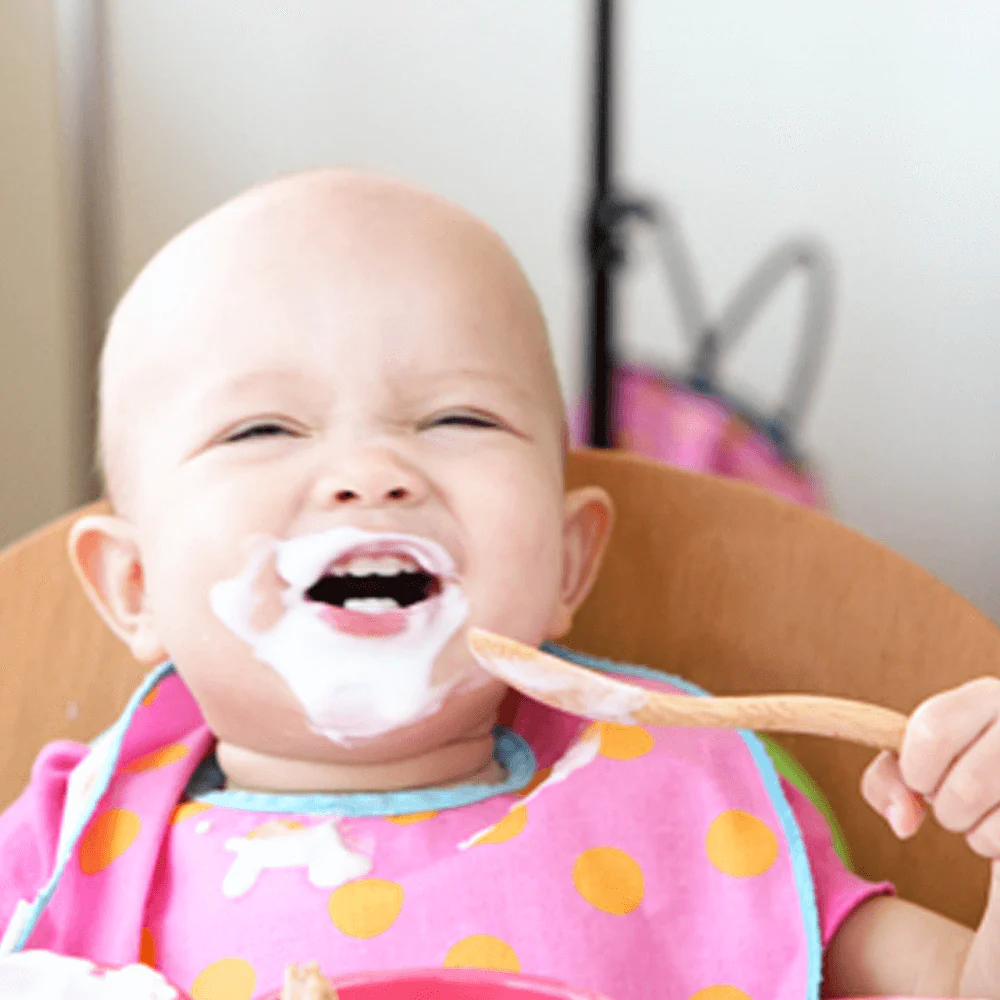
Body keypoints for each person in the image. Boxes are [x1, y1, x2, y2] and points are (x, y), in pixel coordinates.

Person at [0, 170, 996, 1000]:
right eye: (263, 429)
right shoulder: (58, 856)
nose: (372, 470)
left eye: (457, 419)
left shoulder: (682, 804)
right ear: (132, 585)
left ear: (568, 560)